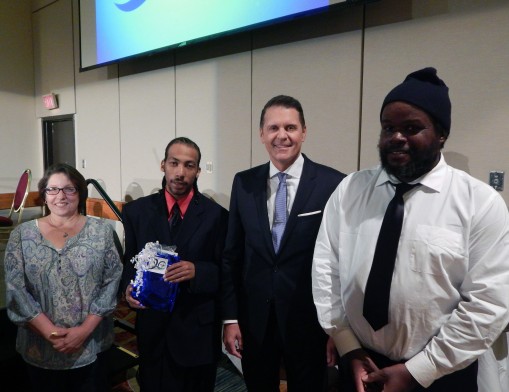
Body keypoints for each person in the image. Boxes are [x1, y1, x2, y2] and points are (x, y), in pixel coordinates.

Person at [312, 67, 509, 391]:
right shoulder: (350, 191)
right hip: (361, 366)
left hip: (441, 373)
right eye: (388, 127)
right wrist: (347, 344)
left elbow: (488, 305)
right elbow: (325, 269)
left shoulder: (480, 204)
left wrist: (418, 371)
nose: (396, 137)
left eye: (412, 128)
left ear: (441, 133)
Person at [221, 95, 346, 391]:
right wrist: (230, 318)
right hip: (255, 320)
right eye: (273, 127)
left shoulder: (333, 183)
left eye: (290, 127)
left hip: (309, 321)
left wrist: (337, 330)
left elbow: (342, 261)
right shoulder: (243, 183)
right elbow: (232, 256)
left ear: (304, 131)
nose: (282, 135)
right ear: (262, 134)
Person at [121, 137, 228, 392]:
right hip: (152, 328)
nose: (180, 172)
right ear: (163, 165)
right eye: (174, 163)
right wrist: (127, 289)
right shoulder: (136, 212)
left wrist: (198, 271)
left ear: (198, 171)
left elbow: (228, 272)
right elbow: (129, 263)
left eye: (189, 165)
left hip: (196, 330)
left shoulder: (217, 217)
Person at [4, 163, 123, 392]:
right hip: (39, 346)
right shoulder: (22, 234)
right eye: (53, 189)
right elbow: (15, 287)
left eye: (69, 189)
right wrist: (50, 333)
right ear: (44, 195)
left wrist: (85, 330)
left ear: (80, 193)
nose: (61, 196)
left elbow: (112, 280)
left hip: (91, 343)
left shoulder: (101, 232)